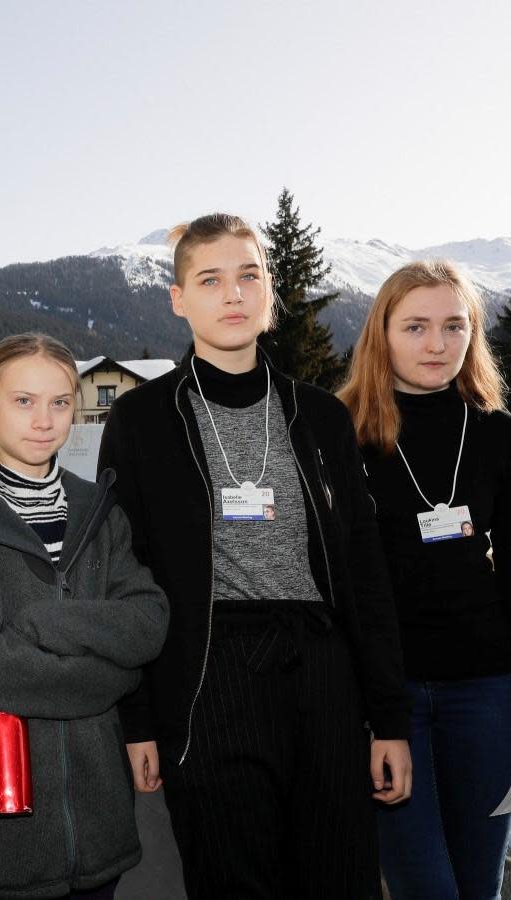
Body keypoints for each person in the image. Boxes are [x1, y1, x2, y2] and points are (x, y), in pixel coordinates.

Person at [96, 213, 412, 899]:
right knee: (233, 880)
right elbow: (122, 577)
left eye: (249, 275)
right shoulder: (142, 419)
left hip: (323, 675)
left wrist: (389, 718)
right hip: (208, 676)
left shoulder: (321, 414)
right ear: (179, 299)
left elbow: (364, 570)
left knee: (340, 877)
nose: (233, 293)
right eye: (210, 279)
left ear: (272, 290)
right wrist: (139, 720)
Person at [0, 333, 168, 899]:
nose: (43, 420)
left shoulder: (100, 511)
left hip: (100, 819)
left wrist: (43, 623)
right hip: (4, 827)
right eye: (23, 400)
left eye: (60, 402)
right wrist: (110, 674)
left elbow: (148, 621)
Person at [338, 260, 511, 899]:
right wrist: (375, 711)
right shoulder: (342, 436)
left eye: (453, 325)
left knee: (479, 887)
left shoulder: (497, 433)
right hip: (389, 700)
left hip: (489, 695)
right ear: (381, 334)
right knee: (424, 889)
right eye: (415, 326)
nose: (436, 344)